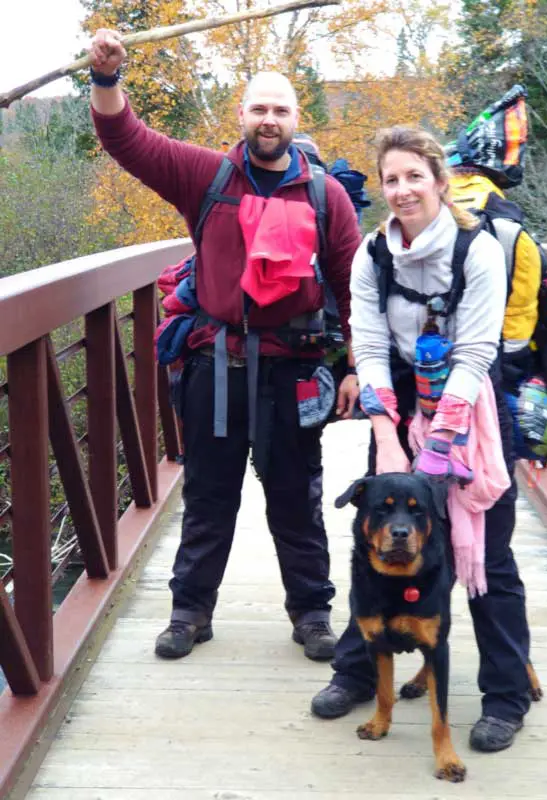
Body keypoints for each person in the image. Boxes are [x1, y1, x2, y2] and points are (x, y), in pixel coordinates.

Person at [88, 30, 362, 662]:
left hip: (293, 368)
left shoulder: (328, 197)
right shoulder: (206, 176)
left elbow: (353, 289)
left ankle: (312, 613)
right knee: (210, 494)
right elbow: (126, 139)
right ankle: (190, 612)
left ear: (297, 119)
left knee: (297, 496)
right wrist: (107, 81)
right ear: (241, 116)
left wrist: (351, 367)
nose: (269, 120)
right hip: (216, 365)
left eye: (281, 110)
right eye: (258, 108)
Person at [311, 125, 535, 753]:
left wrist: (442, 439)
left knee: (488, 553)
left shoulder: (477, 249)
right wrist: (384, 430)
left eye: (415, 176)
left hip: (472, 400)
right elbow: (373, 344)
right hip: (401, 394)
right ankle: (358, 672)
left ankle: (506, 696)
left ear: (440, 180)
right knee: (377, 529)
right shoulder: (373, 253)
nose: (403, 190)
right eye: (391, 179)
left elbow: (477, 349)